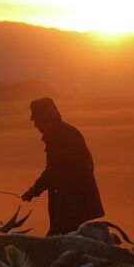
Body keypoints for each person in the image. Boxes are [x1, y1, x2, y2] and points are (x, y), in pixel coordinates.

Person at [21, 97, 104, 236]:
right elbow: (54, 171)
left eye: (37, 120)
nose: (35, 124)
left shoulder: (62, 136)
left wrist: (34, 190)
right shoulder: (59, 135)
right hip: (70, 206)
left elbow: (55, 172)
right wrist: (34, 191)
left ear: (47, 117)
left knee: (59, 244)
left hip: (73, 208)